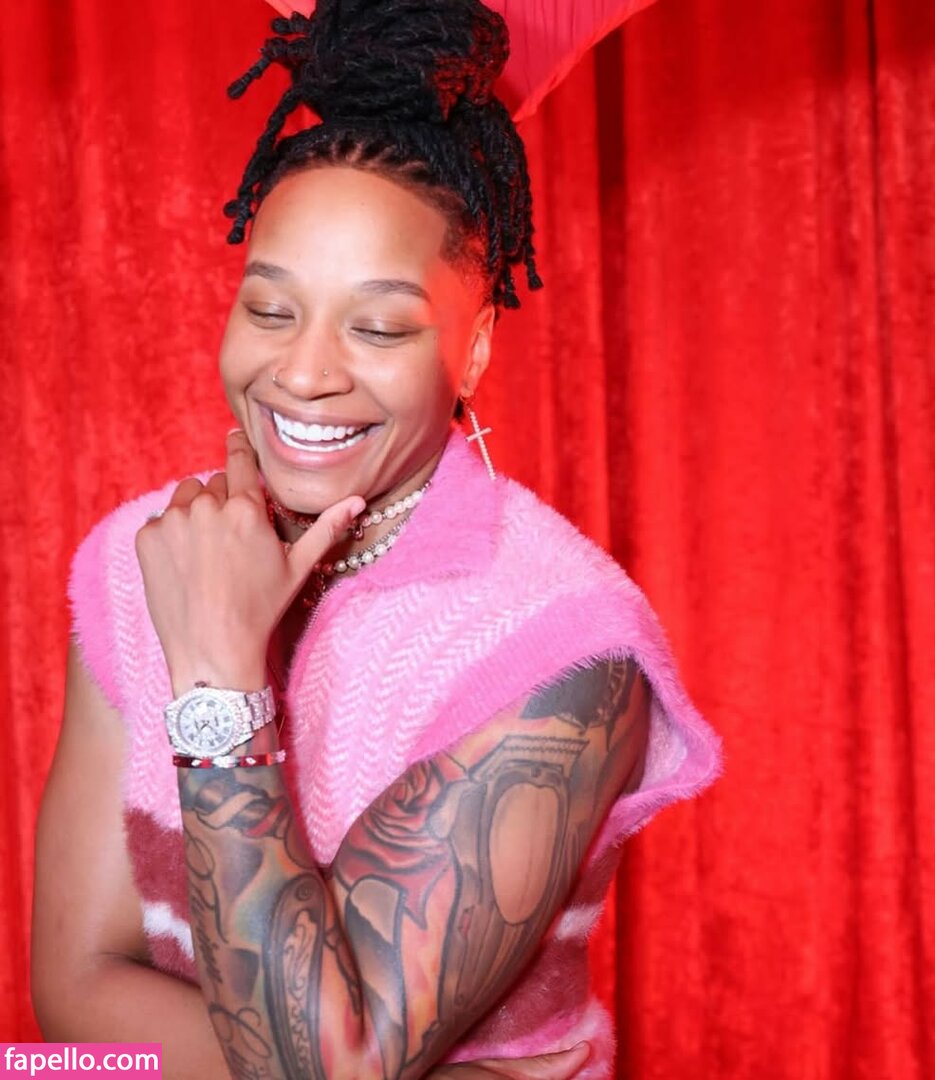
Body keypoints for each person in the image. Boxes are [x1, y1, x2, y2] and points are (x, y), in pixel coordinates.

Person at [31, 1, 722, 1077]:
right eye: (270, 310)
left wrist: (217, 679)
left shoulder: (559, 646)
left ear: (475, 348)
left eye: (379, 326)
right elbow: (73, 1009)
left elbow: (330, 1067)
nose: (304, 372)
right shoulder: (143, 557)